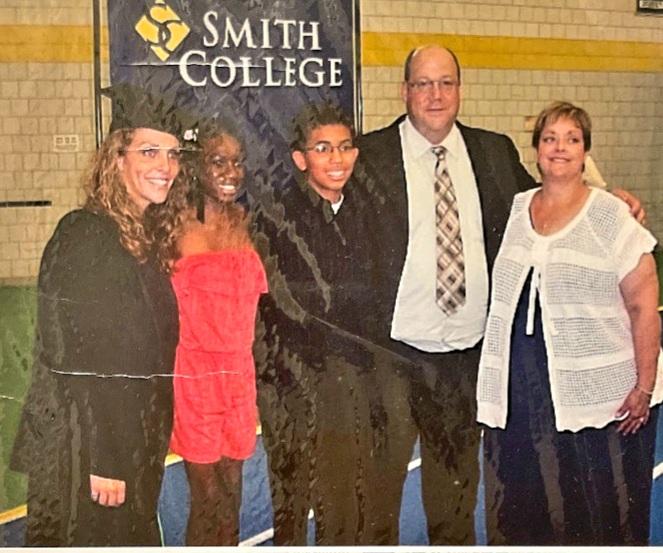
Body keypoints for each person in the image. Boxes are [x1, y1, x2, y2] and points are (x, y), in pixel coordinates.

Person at [355, 45, 645, 545]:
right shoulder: (370, 155)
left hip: (466, 354)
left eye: (446, 82)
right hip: (393, 355)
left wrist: (606, 198)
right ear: (403, 92)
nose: (435, 94)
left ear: (460, 90)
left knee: (456, 497)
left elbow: (551, 197)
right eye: (423, 84)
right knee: (378, 495)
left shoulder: (492, 150)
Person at [476, 101, 662, 545]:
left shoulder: (610, 215)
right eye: (550, 139)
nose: (560, 148)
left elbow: (643, 305)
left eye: (572, 139)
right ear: (536, 150)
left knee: (596, 512)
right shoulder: (518, 207)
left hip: (599, 393)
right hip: (524, 393)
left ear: (585, 152)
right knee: (529, 507)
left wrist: (645, 385)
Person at [10, 112, 188, 545]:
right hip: (87, 447)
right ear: (116, 159)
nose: (165, 166)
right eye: (149, 151)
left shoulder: (137, 235)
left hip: (126, 441)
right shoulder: (86, 235)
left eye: (173, 154)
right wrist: (106, 460)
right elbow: (79, 356)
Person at [254, 103, 397, 544]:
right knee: (300, 499)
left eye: (345, 147)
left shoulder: (368, 209)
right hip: (298, 378)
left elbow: (382, 287)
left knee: (361, 493)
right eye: (322, 148)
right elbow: (294, 305)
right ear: (301, 159)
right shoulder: (276, 214)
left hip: (358, 374)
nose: (336, 159)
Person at [168, 127, 267, 545]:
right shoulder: (173, 228)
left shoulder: (248, 223)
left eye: (237, 160)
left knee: (232, 500)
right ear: (195, 166)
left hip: (239, 378)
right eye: (218, 160)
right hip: (194, 377)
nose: (231, 171)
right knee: (205, 501)